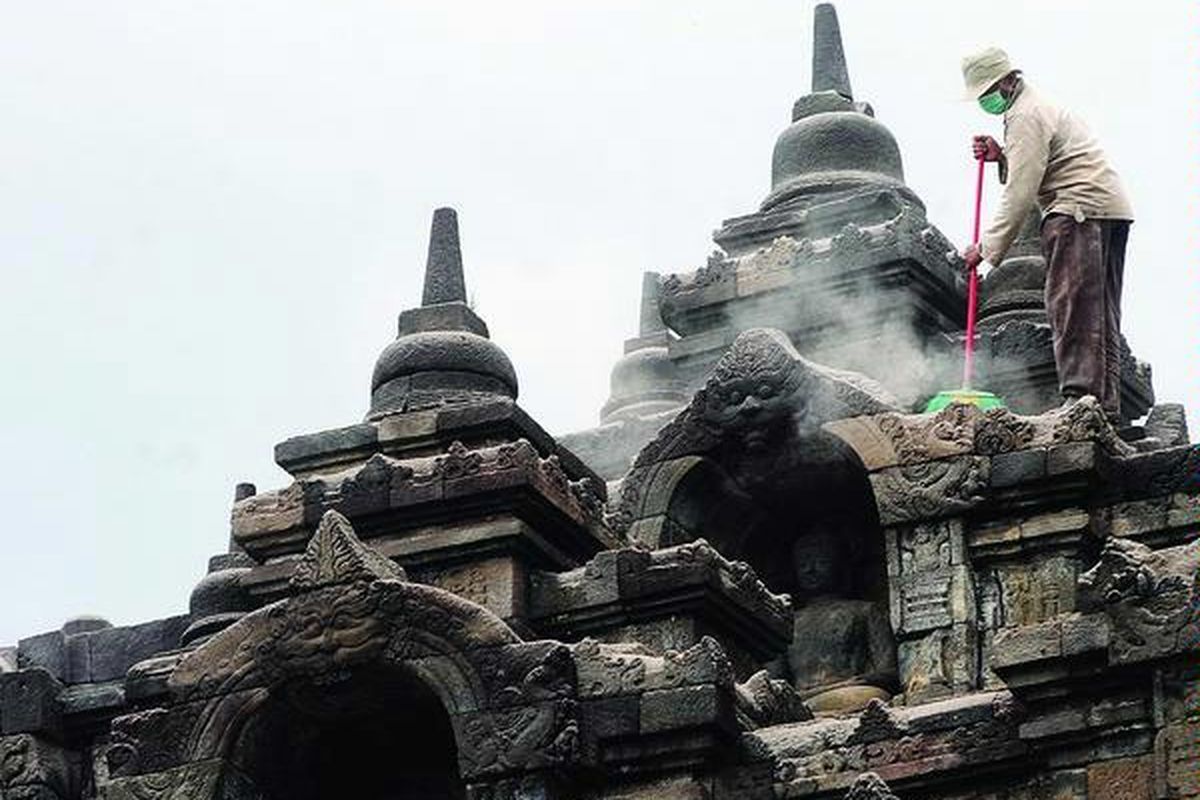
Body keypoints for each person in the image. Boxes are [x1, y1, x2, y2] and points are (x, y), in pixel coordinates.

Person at [960, 47, 1134, 423]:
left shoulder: (1024, 114)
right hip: (1109, 207)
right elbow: (1039, 160)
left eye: (988, 90)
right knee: (1099, 310)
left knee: (1070, 303)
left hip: (1077, 210)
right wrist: (1002, 156)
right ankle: (1104, 405)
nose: (985, 100)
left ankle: (1080, 399)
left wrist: (987, 249)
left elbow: (1021, 192)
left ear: (1007, 80)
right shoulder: (1033, 106)